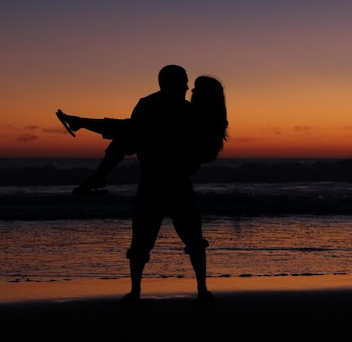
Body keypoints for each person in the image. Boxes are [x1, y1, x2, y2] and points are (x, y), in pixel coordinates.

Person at [56, 65, 228, 302]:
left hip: (159, 183)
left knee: (154, 241)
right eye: (185, 82)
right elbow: (126, 130)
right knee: (177, 240)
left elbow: (125, 130)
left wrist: (83, 122)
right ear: (171, 83)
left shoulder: (179, 111)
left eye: (191, 85)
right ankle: (199, 290)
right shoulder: (179, 110)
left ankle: (140, 291)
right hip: (171, 183)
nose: (188, 88)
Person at [56, 74, 228, 195]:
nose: (190, 90)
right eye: (188, 85)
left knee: (129, 132)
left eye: (196, 89)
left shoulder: (195, 116)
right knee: (128, 133)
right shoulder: (188, 112)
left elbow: (132, 127)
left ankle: (97, 174)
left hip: (171, 179)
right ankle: (96, 173)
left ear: (207, 96)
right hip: (165, 180)